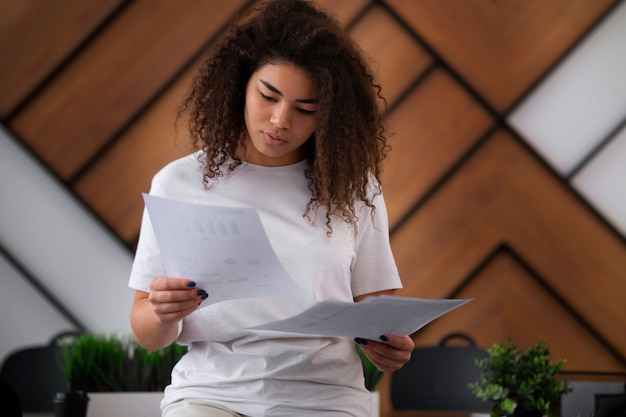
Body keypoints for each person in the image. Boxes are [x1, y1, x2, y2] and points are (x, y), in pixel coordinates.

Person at [129, 0, 414, 415]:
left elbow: (377, 313)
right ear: (240, 84)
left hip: (326, 399)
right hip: (212, 394)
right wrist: (161, 312)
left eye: (305, 109)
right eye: (269, 96)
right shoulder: (178, 183)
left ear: (329, 115)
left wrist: (390, 345)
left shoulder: (354, 190)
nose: (281, 120)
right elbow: (147, 334)